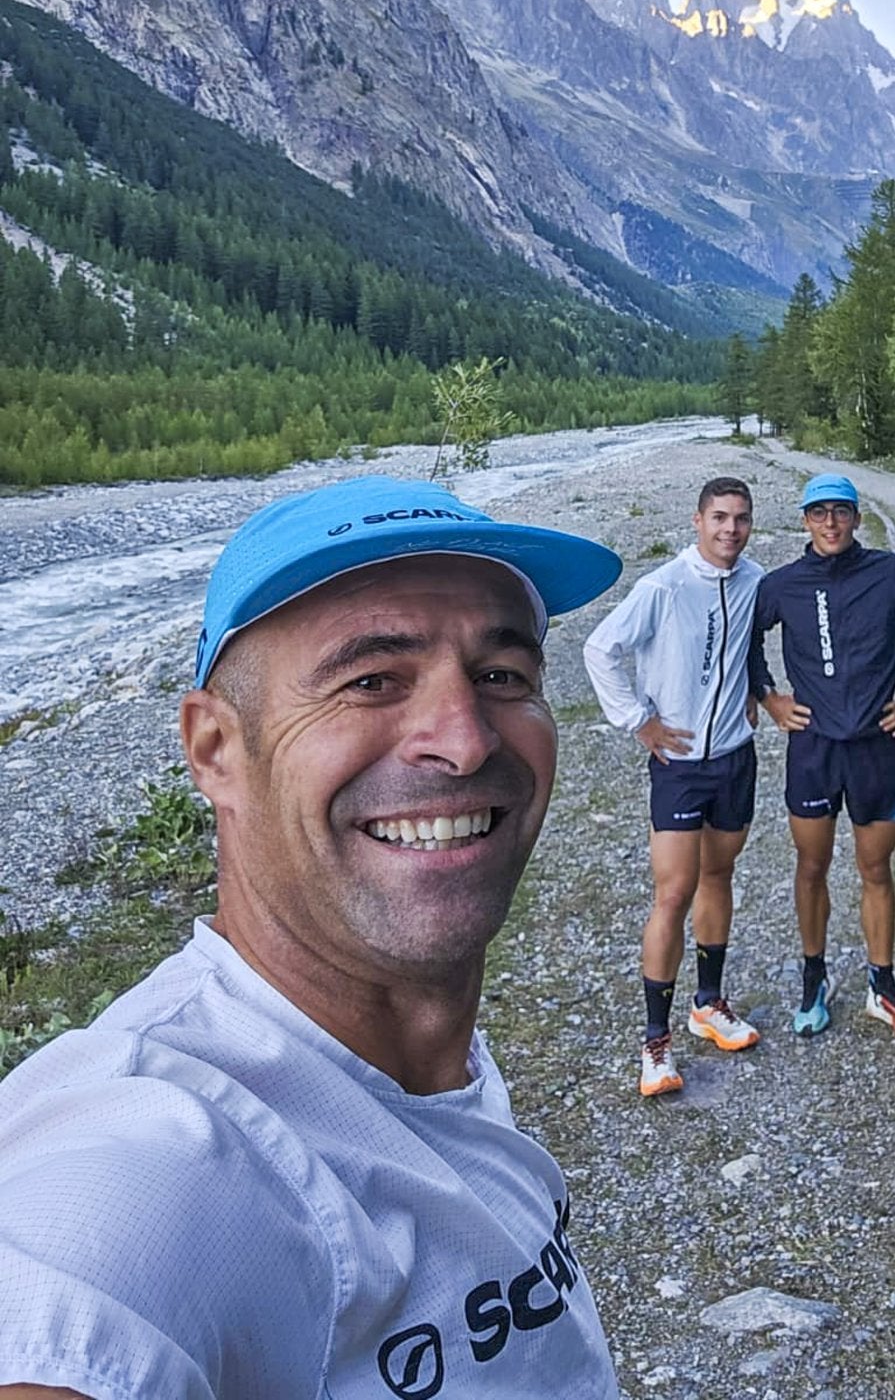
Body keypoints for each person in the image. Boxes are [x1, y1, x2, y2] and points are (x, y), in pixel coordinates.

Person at [0, 475, 624, 1399]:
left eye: (502, 676)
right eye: (371, 680)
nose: (462, 740)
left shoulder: (398, 1054)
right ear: (216, 752)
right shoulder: (162, 1153)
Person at [748, 473, 895, 1039]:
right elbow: (744, 642)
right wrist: (770, 698)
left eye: (841, 512)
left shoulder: (888, 573)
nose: (831, 523)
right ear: (804, 521)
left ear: (857, 518)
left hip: (873, 748)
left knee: (875, 869)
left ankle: (882, 986)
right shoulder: (783, 584)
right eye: (819, 513)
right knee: (811, 867)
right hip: (812, 748)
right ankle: (814, 978)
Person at [583, 477, 764, 1099]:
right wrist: (638, 720)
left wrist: (762, 697)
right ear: (697, 520)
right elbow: (600, 648)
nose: (729, 530)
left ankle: (708, 1003)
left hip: (736, 757)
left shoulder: (755, 581)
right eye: (719, 518)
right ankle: (655, 1043)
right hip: (680, 764)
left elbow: (753, 651)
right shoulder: (661, 586)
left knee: (719, 877)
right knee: (674, 892)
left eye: (740, 519)